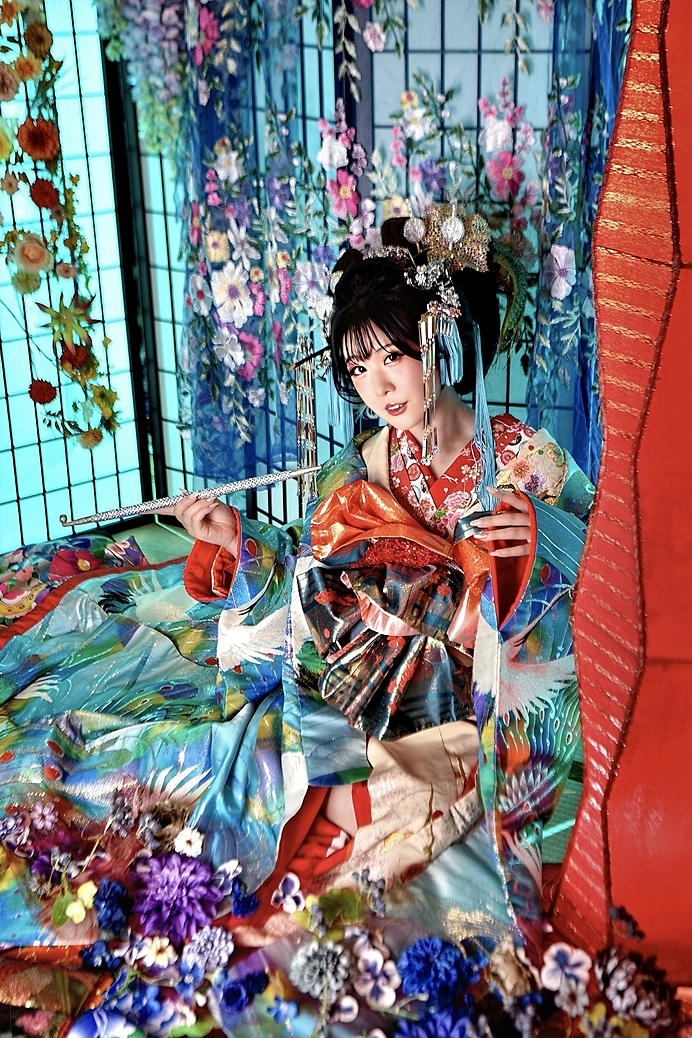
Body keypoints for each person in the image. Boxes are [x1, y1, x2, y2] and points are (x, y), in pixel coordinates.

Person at [172, 227, 595, 962]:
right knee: (250, 746)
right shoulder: (365, 462)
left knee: (425, 795)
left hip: (482, 692)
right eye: (358, 367)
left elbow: (607, 566)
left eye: (394, 356)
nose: (378, 387)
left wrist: (542, 539)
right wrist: (237, 539)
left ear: (444, 340)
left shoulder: (527, 459)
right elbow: (310, 571)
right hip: (368, 686)